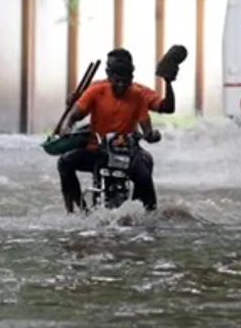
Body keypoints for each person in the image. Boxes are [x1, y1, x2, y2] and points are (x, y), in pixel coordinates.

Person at [56, 48, 170, 213]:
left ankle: (149, 215)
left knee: (144, 176)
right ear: (109, 77)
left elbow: (147, 126)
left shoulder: (138, 94)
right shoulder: (95, 90)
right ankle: (76, 210)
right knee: (64, 162)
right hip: (98, 151)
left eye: (125, 81)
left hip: (127, 152)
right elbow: (74, 115)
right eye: (117, 81)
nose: (121, 85)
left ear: (131, 78)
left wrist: (151, 135)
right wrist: (66, 127)